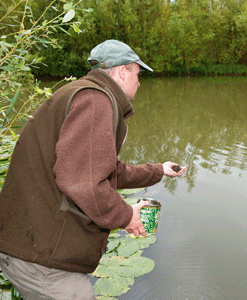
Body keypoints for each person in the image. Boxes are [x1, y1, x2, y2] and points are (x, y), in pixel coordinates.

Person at [0, 39, 186, 299]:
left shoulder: (82, 93)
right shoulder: (96, 101)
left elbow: (102, 170)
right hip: (41, 257)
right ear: (122, 71)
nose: (139, 81)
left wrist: (158, 170)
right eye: (137, 73)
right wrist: (126, 215)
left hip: (29, 244)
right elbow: (83, 181)